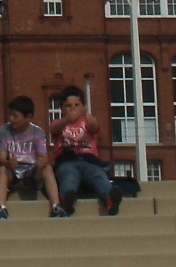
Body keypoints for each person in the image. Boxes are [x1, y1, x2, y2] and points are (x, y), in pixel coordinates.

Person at [49, 86, 122, 217]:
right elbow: (55, 129)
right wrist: (67, 120)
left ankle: (109, 198)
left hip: (89, 161)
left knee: (98, 175)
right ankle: (68, 199)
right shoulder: (58, 122)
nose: (73, 108)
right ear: (62, 108)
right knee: (68, 177)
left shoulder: (86, 122)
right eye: (68, 105)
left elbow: (95, 128)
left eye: (77, 105)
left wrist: (92, 121)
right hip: (67, 161)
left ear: (83, 107)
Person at [0, 97, 61, 219]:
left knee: (47, 168)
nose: (11, 119)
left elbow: (43, 156)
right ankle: (1, 207)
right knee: (2, 169)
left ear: (28, 117)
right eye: (10, 115)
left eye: (15, 116)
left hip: (31, 172)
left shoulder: (37, 132)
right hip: (12, 171)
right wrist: (8, 163)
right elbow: (0, 157)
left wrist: (42, 162)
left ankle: (56, 206)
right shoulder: (4, 131)